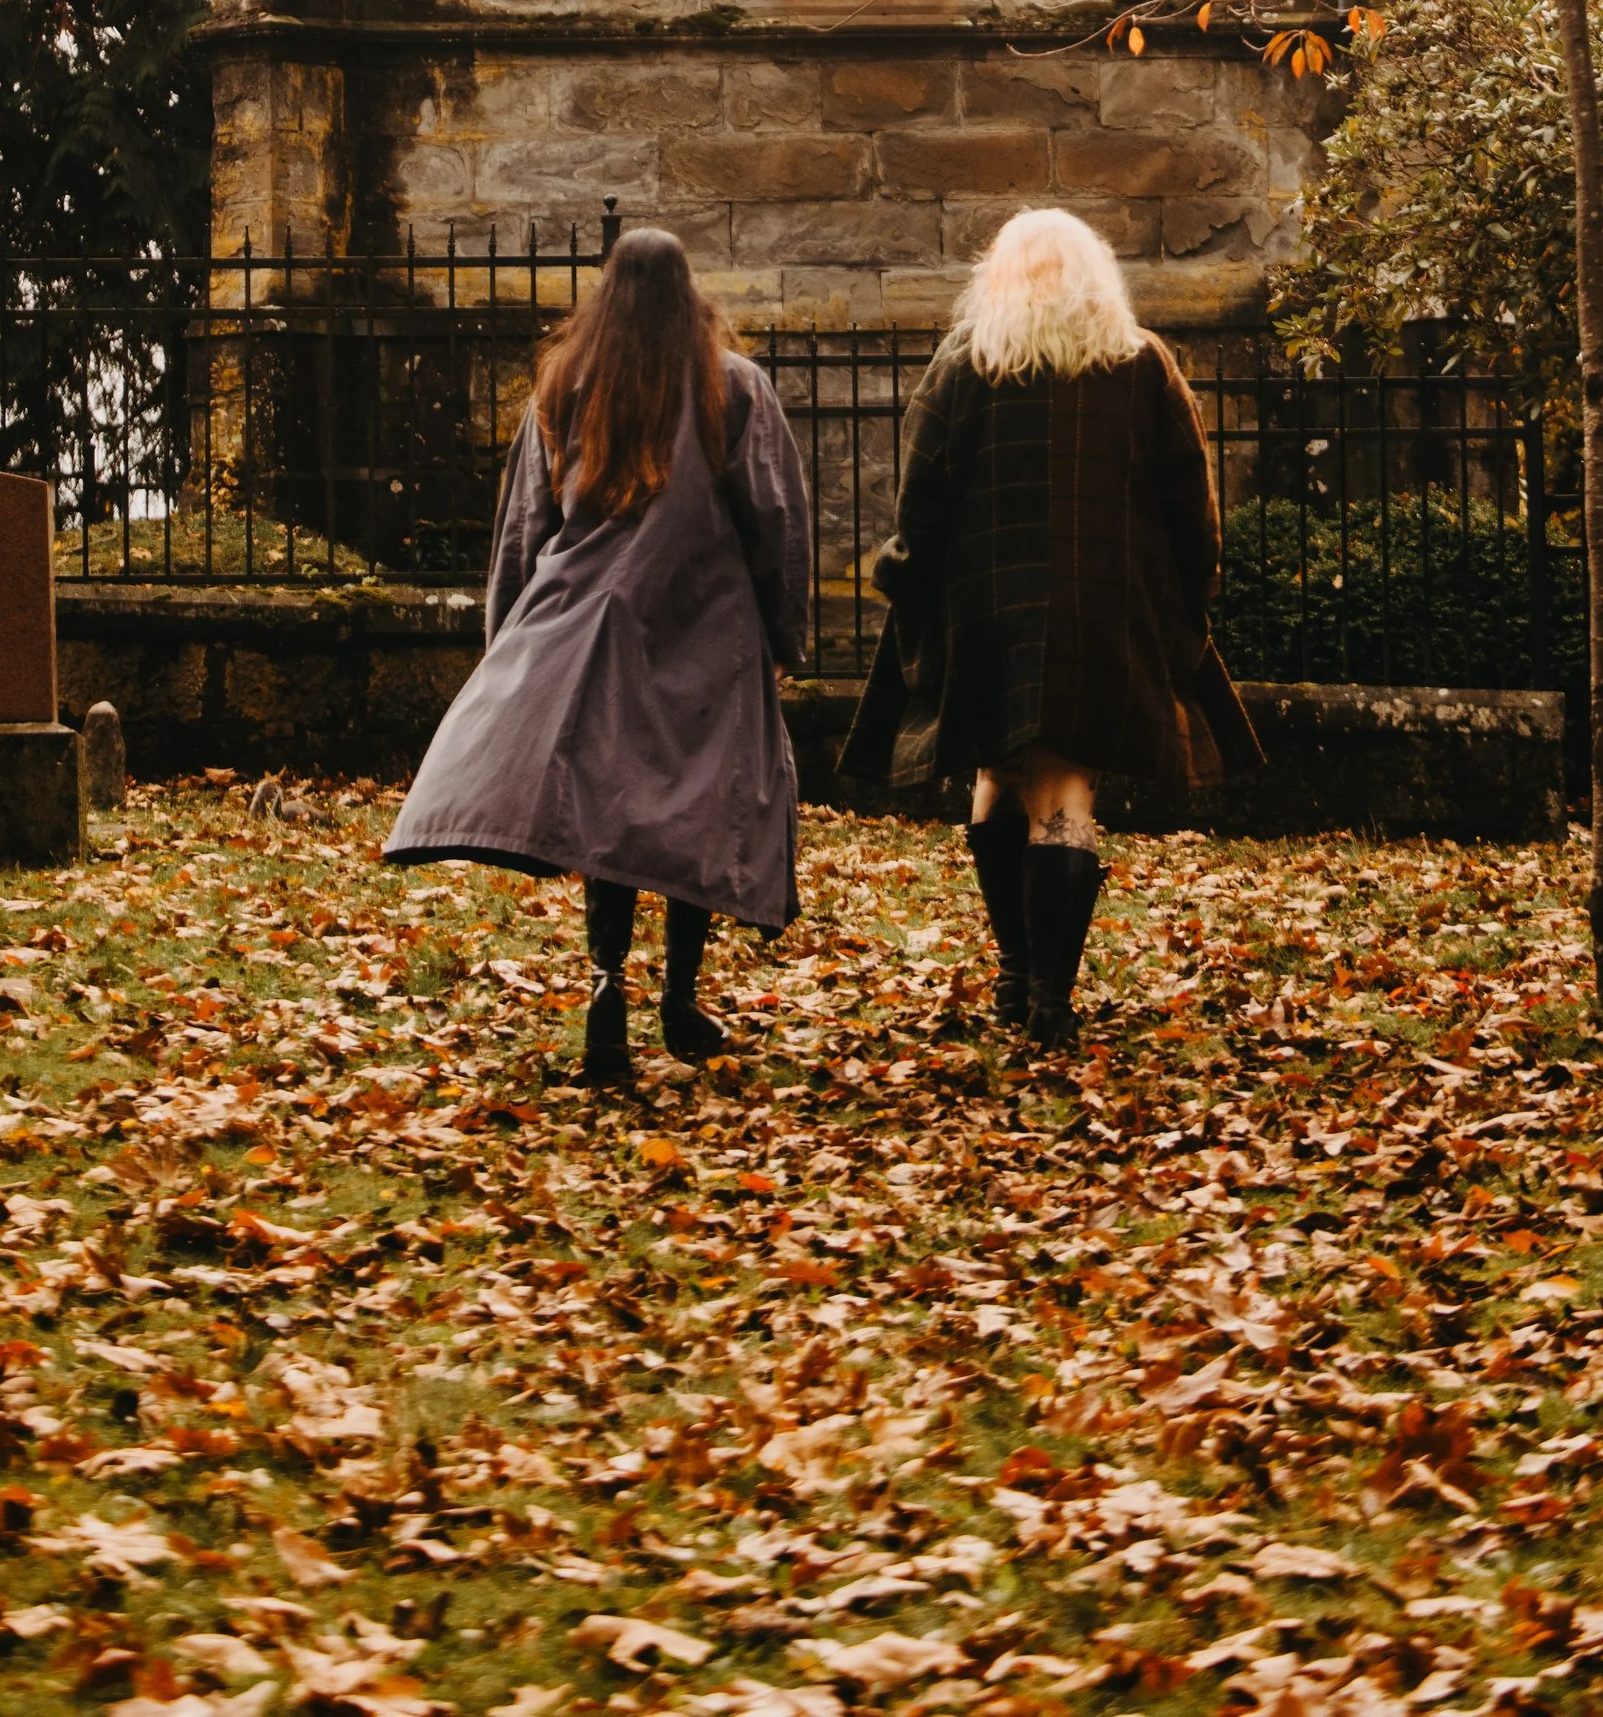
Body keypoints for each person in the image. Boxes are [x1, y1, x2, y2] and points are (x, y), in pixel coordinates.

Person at [384, 226, 811, 1087]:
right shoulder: (735, 387)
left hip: (597, 628)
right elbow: (776, 519)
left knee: (608, 818)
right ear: (692, 295)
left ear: (605, 297)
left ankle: (607, 987)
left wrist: (507, 643)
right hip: (705, 626)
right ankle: (681, 1001)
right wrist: (785, 630)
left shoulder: (571, 382)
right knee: (693, 813)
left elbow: (526, 525)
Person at [841, 207, 1260, 1047]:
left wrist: (903, 574)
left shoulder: (966, 363)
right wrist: (1192, 591)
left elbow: (921, 496)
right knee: (1066, 790)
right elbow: (1192, 499)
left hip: (986, 605)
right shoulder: (1144, 365)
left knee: (996, 777)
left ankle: (1014, 972)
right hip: (1100, 606)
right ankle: (1050, 1001)